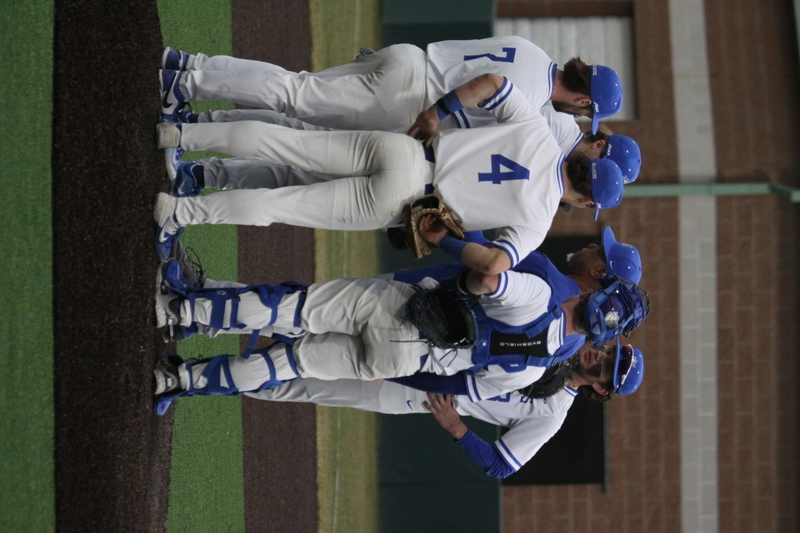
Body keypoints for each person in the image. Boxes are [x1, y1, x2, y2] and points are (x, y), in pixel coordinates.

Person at [154, 73, 624, 277]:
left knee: (288, 143)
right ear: (586, 201)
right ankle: (177, 212)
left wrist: (438, 112)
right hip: (404, 203)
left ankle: (180, 134)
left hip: (406, 149)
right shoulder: (539, 221)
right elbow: (494, 265)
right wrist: (444, 240)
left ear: (585, 159)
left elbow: (492, 84)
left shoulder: (540, 130)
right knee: (282, 205)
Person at [150, 250, 649, 415]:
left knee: (293, 308)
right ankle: (180, 381)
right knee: (289, 363)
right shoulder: (535, 371)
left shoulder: (541, 296)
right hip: (409, 360)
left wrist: (459, 262)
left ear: (596, 293)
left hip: (405, 307)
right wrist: (396, 372)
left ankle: (181, 308)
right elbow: (453, 385)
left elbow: (486, 279)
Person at [154, 341, 645, 479]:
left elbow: (500, 465)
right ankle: (200, 307)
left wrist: (456, 427)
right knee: (305, 333)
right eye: (610, 351)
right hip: (418, 348)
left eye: (607, 367)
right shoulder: (561, 338)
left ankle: (193, 379)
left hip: (410, 394)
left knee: (300, 384)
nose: (601, 356)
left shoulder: (551, 414)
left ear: (601, 390)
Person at [163, 105, 641, 200]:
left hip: (421, 151)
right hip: (415, 127)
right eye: (606, 167)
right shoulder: (555, 128)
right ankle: (200, 126)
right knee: (297, 131)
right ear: (600, 147)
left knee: (298, 173)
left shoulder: (559, 160)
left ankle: (203, 175)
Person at [159, 37, 623, 134]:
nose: (581, 115)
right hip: (407, 96)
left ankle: (190, 65)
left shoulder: (534, 50)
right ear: (584, 99)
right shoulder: (533, 99)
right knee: (294, 96)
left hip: (410, 57)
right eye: (587, 111)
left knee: (294, 86)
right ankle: (186, 84)